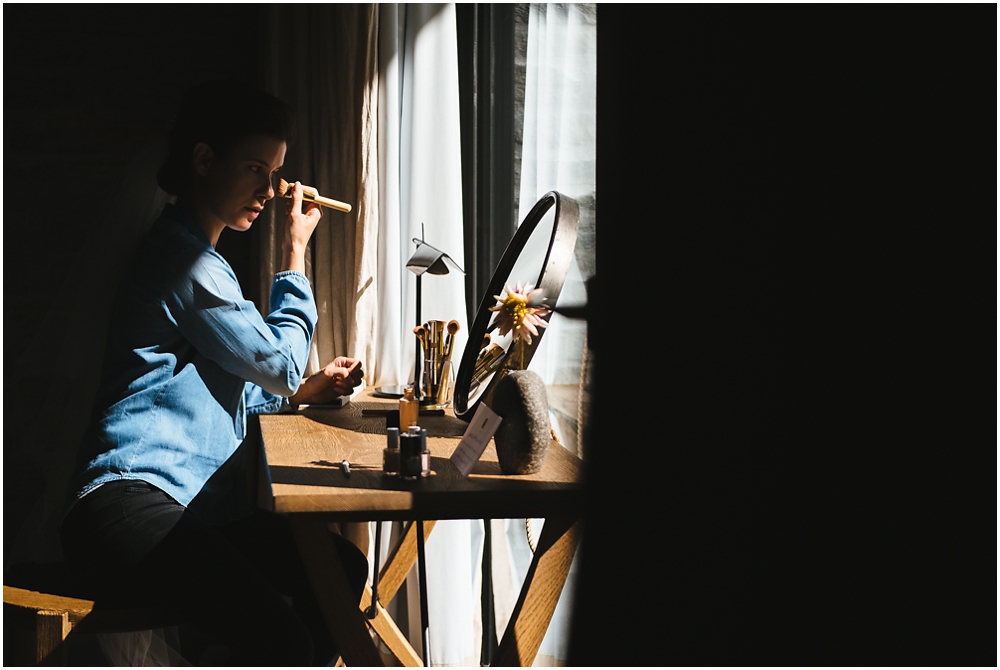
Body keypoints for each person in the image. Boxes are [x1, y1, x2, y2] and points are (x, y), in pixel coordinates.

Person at [60, 80, 368, 666]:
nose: (269, 189)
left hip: (194, 508)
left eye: (274, 172)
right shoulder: (186, 261)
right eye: (255, 168)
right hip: (126, 504)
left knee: (339, 572)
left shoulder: (203, 261)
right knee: (284, 638)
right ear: (203, 160)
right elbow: (277, 364)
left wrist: (303, 393)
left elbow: (238, 398)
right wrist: (293, 253)